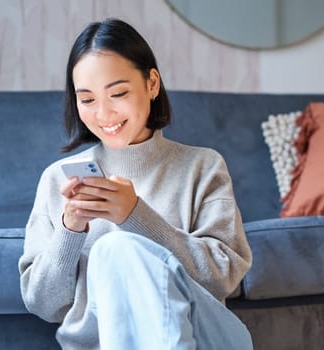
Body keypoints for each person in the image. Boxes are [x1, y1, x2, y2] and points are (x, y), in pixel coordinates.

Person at [18, 18, 254, 349]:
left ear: (152, 83)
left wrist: (135, 216)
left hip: (205, 336)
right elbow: (43, 304)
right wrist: (70, 229)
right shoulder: (58, 179)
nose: (103, 114)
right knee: (112, 249)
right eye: (87, 100)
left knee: (118, 247)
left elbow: (224, 278)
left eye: (118, 93)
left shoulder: (202, 166)